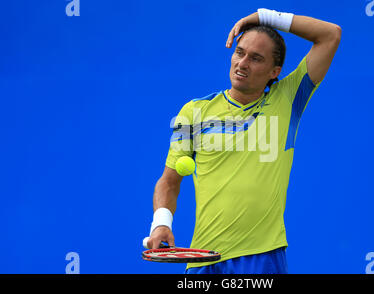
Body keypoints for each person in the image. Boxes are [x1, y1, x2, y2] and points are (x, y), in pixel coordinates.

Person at [144, 8, 341, 274]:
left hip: (262, 258)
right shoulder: (193, 112)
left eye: (256, 58)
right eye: (240, 52)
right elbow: (169, 181)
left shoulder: (288, 99)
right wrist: (161, 222)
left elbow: (330, 35)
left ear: (275, 71)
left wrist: (263, 16)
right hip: (204, 260)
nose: (243, 63)